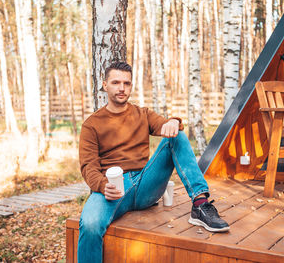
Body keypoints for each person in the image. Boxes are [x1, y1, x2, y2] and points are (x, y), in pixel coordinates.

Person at [77, 62, 229, 262]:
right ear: (105, 85)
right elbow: (88, 166)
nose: (121, 88)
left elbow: (166, 125)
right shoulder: (92, 125)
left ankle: (200, 204)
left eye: (126, 83)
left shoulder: (143, 114)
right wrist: (103, 186)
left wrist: (173, 122)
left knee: (177, 135)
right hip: (113, 188)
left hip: (146, 184)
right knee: (89, 224)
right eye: (116, 82)